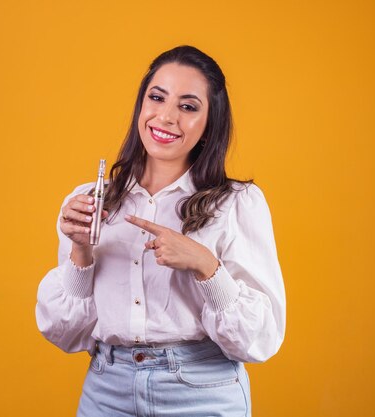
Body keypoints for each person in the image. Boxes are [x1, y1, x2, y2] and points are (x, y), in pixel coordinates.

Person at [35, 45, 286, 417]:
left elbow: (260, 340)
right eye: (157, 98)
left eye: (188, 106)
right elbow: (67, 334)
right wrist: (80, 253)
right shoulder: (88, 200)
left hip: (201, 391)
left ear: (209, 124)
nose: (166, 117)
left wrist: (206, 267)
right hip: (107, 390)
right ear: (141, 105)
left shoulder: (236, 203)